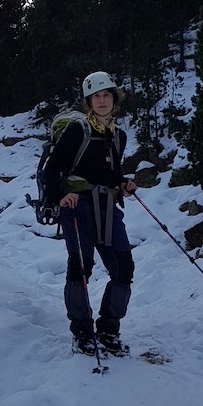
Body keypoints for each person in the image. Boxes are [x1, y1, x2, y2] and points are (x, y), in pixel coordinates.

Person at [42, 71, 137, 356]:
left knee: (124, 269)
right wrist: (60, 195)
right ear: (88, 102)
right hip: (77, 206)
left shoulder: (118, 135)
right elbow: (53, 169)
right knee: (81, 268)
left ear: (114, 99)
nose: (102, 100)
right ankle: (82, 333)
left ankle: (108, 329)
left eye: (107, 95)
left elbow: (112, 171)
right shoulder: (78, 130)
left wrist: (123, 183)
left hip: (107, 206)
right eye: (96, 96)